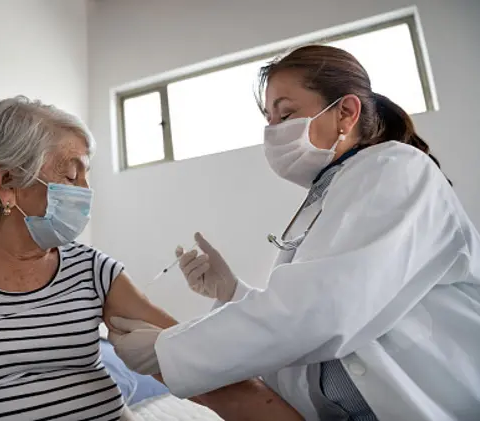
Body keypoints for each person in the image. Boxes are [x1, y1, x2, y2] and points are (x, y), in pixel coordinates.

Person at [0, 96, 302, 421]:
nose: (85, 191)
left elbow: (198, 362)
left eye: (87, 174)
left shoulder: (92, 269)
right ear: (6, 182)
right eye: (71, 173)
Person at [108, 45, 480, 420]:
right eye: (268, 119)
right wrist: (232, 292)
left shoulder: (395, 169)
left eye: (285, 113)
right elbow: (306, 341)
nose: (273, 131)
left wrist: (169, 350)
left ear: (346, 113)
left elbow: (321, 309)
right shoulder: (331, 195)